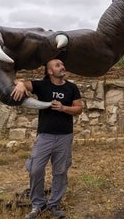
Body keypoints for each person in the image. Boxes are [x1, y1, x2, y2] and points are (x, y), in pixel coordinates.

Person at [12, 59, 83, 219]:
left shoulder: (71, 87)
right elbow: (18, 82)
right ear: (50, 71)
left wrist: (64, 108)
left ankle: (54, 205)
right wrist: (20, 84)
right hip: (45, 136)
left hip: (65, 136)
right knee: (35, 169)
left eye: (62, 64)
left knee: (60, 171)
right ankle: (37, 205)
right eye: (58, 65)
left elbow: (79, 108)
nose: (62, 67)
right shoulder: (42, 85)